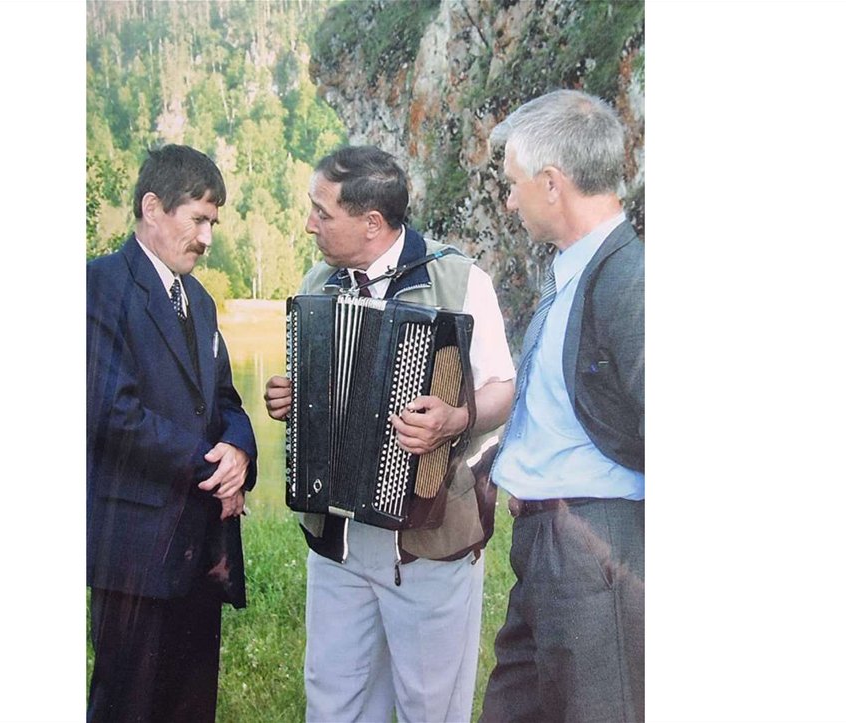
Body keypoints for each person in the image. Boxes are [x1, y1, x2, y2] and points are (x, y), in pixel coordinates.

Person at [264, 145, 516, 722]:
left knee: (430, 707)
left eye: (322, 212)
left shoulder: (460, 279)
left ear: (372, 223)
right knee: (334, 701)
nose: (309, 224)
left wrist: (456, 418)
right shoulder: (318, 282)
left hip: (429, 539)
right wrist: (296, 397)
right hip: (337, 540)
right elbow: (323, 389)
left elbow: (503, 387)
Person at [479, 90, 645, 723]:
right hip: (550, 547)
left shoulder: (631, 281)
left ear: (552, 183)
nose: (509, 200)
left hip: (593, 546)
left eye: (513, 184)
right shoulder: (575, 271)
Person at [86, 144, 257, 722]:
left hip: (201, 548)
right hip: (134, 550)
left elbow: (225, 401)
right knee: (127, 705)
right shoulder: (98, 286)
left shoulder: (200, 302)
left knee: (191, 705)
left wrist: (240, 451)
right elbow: (112, 413)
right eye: (198, 219)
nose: (207, 238)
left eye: (214, 223)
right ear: (153, 207)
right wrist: (215, 467)